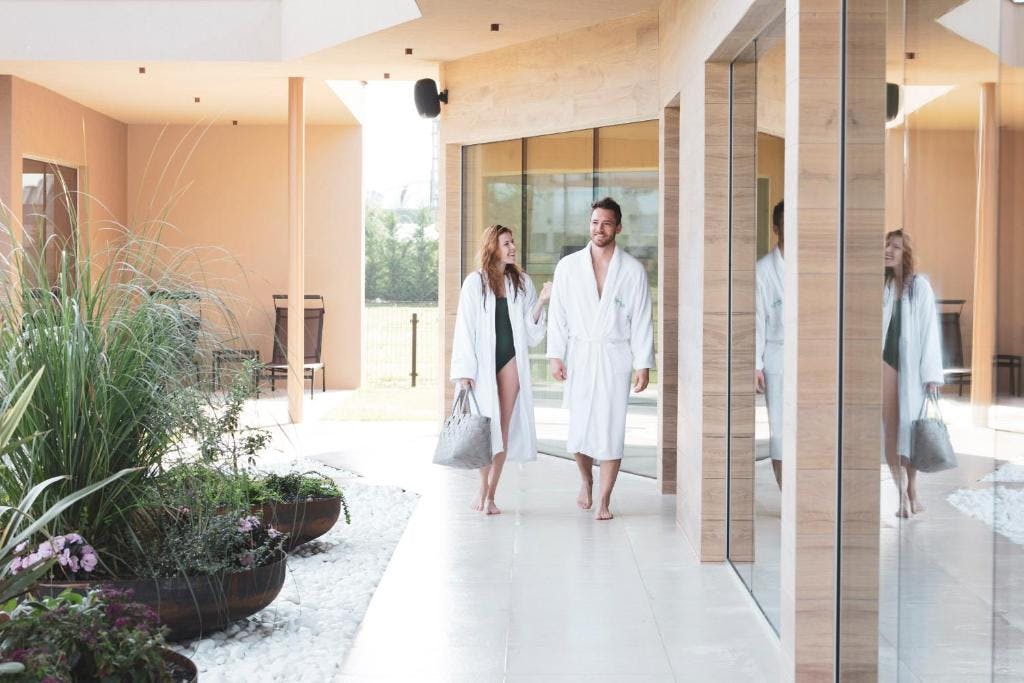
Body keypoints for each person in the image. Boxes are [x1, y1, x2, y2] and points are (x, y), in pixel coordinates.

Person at [546, 197, 655, 521]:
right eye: (595, 222)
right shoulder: (568, 267)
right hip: (580, 354)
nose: (600, 229)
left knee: (611, 429)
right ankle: (586, 479)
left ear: (618, 227)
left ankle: (604, 500)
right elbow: (558, 314)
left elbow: (642, 319)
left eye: (607, 223)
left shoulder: (632, 271)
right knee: (579, 430)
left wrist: (643, 362)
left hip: (614, 355)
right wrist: (555, 355)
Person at [451, 224, 551, 515]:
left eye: (512, 242)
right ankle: (481, 486)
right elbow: (464, 328)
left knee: (502, 428)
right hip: (482, 363)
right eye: (506, 243)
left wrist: (541, 302)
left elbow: (531, 333)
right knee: (485, 427)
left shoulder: (522, 282)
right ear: (492, 247)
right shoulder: (475, 283)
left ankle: (491, 494)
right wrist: (465, 371)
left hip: (510, 360)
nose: (512, 248)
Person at [882, 229, 943, 518]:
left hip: (913, 368)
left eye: (895, 247)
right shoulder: (881, 285)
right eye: (886, 245)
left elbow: (930, 332)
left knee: (910, 430)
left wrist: (931, 375)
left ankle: (912, 492)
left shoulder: (919, 287)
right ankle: (901, 495)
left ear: (906, 253)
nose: (888, 250)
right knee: (891, 433)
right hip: (885, 363)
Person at [755, 200, 785, 488]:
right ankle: (787, 496)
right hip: (778, 356)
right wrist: (756, 364)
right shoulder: (763, 271)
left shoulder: (814, 266)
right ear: (776, 228)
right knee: (780, 431)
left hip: (812, 359)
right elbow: (757, 320)